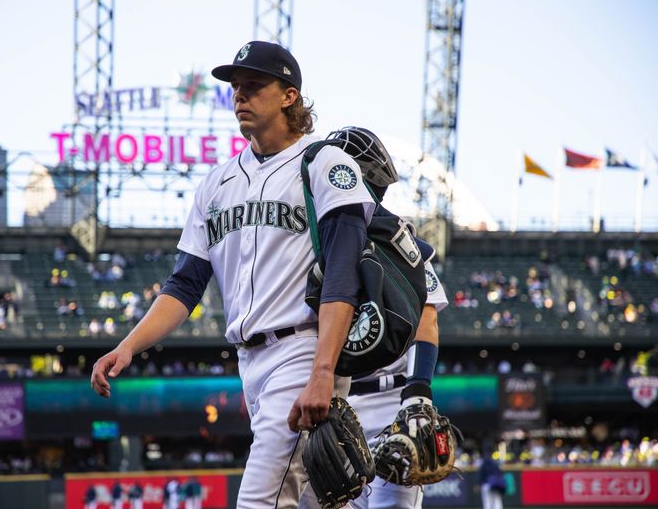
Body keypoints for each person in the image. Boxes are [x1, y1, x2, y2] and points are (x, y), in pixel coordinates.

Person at [91, 40, 375, 508]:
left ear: (289, 95)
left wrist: (323, 369)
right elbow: (184, 286)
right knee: (308, 501)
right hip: (251, 363)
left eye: (253, 86)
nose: (239, 96)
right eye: (235, 88)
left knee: (260, 499)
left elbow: (344, 272)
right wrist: (127, 346)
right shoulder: (216, 183)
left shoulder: (324, 163)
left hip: (304, 346)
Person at [298, 127, 448, 509]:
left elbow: (426, 320)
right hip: (333, 405)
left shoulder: (398, 239)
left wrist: (419, 393)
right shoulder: (308, 245)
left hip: (391, 403)